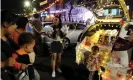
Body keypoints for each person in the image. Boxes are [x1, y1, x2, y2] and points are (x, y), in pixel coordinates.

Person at [1, 10, 26, 80]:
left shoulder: (7, 37)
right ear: (6, 24)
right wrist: (3, 63)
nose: (16, 27)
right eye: (14, 24)